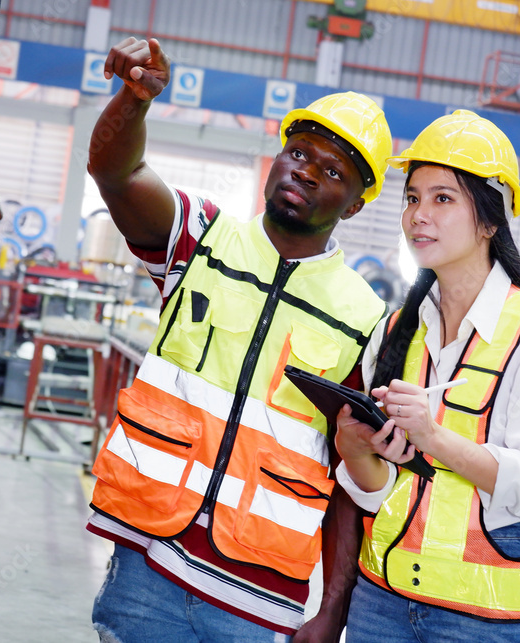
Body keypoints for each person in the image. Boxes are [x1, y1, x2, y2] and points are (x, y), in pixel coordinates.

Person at [84, 36, 393, 642]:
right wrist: (134, 100)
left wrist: (331, 608)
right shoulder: (200, 240)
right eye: (299, 152)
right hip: (149, 572)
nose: (306, 169)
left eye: (332, 171)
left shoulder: (365, 319)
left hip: (256, 604)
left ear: (353, 206)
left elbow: (349, 480)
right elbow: (115, 172)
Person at [330, 110, 520, 642]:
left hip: (490, 620)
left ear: (490, 220)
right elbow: (386, 495)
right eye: (413, 197)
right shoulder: (397, 329)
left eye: (443, 198)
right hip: (384, 603)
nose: (420, 214)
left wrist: (433, 437)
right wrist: (357, 452)